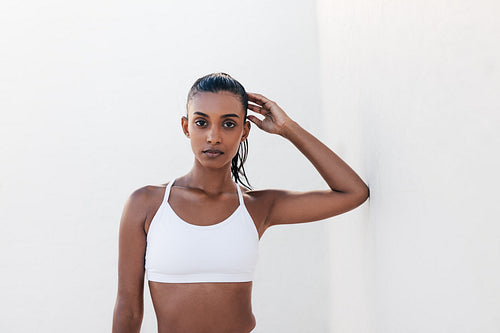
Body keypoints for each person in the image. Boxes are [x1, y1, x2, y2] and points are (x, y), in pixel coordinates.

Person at [112, 73, 369, 333]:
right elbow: (129, 308)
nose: (213, 137)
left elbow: (353, 192)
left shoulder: (258, 206)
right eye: (201, 122)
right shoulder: (146, 204)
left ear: (245, 130)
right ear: (185, 126)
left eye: (228, 124)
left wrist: (287, 128)